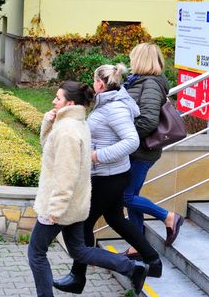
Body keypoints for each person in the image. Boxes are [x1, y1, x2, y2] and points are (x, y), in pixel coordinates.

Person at [29, 80, 149, 297]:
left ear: (70, 103)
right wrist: (48, 124)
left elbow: (66, 174)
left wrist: (55, 209)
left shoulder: (67, 132)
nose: (53, 101)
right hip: (76, 205)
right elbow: (49, 149)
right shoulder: (75, 124)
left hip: (60, 206)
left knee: (36, 252)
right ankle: (131, 268)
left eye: (58, 98)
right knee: (79, 250)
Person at [53, 66, 161, 295]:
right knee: (115, 218)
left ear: (100, 83)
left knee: (82, 224)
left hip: (109, 176)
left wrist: (97, 156)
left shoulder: (115, 108)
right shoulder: (108, 102)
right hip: (111, 175)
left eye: (94, 80)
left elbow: (131, 140)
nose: (93, 84)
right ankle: (153, 260)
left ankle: (78, 277)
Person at [122, 43, 184, 256]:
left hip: (141, 151)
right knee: (132, 197)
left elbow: (148, 121)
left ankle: (168, 217)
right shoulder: (141, 81)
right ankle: (136, 246)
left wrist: (126, 139)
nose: (130, 61)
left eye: (133, 57)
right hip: (138, 150)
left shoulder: (150, 84)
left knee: (125, 196)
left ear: (140, 60)